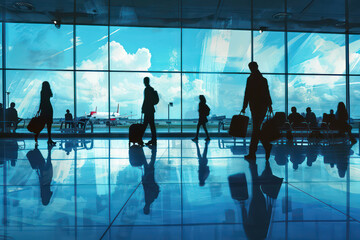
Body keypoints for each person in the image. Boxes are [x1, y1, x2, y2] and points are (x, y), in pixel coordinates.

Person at [241, 62, 273, 161]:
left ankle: (255, 151)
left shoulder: (250, 79)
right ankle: (259, 149)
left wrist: (244, 106)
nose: (251, 69)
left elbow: (247, 93)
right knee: (256, 129)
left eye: (251, 67)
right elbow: (267, 92)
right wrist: (270, 105)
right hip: (262, 106)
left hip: (255, 107)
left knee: (256, 129)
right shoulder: (263, 80)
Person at [35, 81, 56, 146]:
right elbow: (51, 96)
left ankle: (36, 137)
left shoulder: (42, 92)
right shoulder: (49, 91)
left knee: (41, 124)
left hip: (44, 108)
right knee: (49, 125)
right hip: (49, 107)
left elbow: (41, 101)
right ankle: (49, 139)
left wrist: (39, 109)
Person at [142, 146, 159, 215]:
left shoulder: (150, 200)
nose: (145, 207)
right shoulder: (149, 200)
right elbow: (148, 188)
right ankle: (153, 149)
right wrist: (145, 181)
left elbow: (155, 189)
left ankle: (153, 149)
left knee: (149, 161)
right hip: (149, 177)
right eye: (146, 209)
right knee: (147, 161)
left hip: (149, 177)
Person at [142, 77, 157, 146]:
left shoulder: (147, 89)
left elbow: (146, 100)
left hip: (147, 110)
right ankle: (154, 140)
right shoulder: (151, 89)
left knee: (144, 125)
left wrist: (143, 108)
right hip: (151, 110)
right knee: (152, 126)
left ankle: (139, 138)